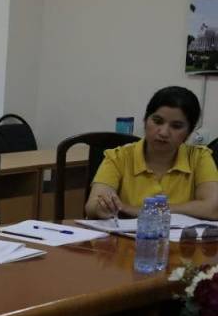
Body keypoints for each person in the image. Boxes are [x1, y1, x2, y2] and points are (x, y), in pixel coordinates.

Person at [86, 85, 218, 220]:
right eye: (157, 121)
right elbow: (92, 206)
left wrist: (142, 210)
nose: (163, 132)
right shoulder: (118, 156)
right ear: (145, 120)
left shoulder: (199, 157)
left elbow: (213, 208)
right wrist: (102, 208)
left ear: (189, 132)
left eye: (176, 126)